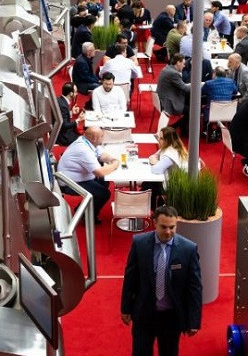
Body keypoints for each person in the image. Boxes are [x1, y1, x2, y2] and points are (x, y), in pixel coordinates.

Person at [120, 205, 202, 356]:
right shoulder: (139, 243)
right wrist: (126, 308)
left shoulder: (188, 249)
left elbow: (194, 287)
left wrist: (194, 320)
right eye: (163, 227)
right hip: (144, 314)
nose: (168, 232)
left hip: (171, 318)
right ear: (155, 223)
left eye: (172, 227)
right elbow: (131, 278)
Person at [56, 127, 119, 223]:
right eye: (102, 136)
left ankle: (82, 209)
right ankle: (87, 218)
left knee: (104, 181)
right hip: (69, 183)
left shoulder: (86, 141)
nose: (103, 137)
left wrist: (112, 159)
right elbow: (99, 172)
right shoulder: (83, 149)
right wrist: (115, 165)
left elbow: (101, 155)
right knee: (103, 194)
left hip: (78, 177)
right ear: (94, 138)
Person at [142, 127, 189, 208]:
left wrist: (156, 162)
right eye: (158, 137)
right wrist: (157, 162)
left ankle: (146, 206)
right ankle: (150, 205)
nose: (158, 140)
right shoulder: (170, 147)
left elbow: (156, 170)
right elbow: (151, 157)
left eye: (161, 138)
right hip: (174, 181)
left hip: (176, 186)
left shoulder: (170, 153)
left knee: (149, 184)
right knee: (147, 183)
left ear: (168, 140)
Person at [156, 55, 191, 132]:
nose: (184, 66)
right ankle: (176, 127)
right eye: (183, 63)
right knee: (191, 111)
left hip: (164, 98)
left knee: (188, 106)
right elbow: (185, 88)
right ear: (178, 62)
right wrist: (197, 86)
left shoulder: (167, 69)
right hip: (168, 102)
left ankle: (178, 127)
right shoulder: (174, 73)